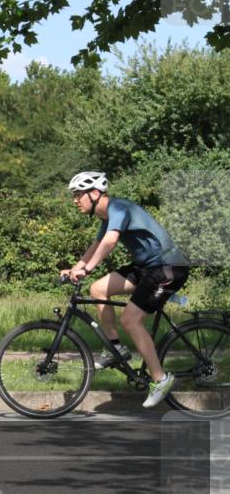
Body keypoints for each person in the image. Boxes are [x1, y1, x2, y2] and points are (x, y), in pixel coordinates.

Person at [62, 171, 190, 408]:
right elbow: (98, 244)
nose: (75, 200)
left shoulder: (119, 208)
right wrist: (75, 268)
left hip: (168, 267)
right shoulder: (107, 217)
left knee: (131, 320)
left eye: (78, 194)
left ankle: (160, 378)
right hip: (147, 267)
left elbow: (110, 242)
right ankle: (115, 348)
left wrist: (87, 268)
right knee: (98, 289)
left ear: (95, 193)